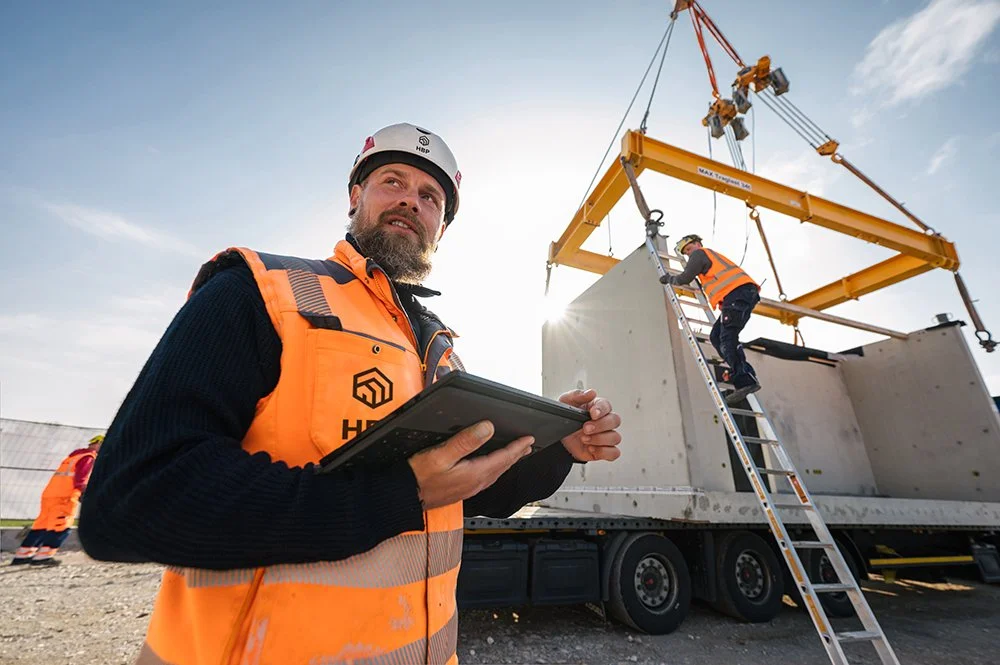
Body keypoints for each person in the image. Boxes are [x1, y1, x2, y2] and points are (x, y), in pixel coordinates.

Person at [79, 122, 623, 665]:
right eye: (393, 181)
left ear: (441, 227)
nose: (411, 200)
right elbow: (131, 499)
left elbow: (468, 490)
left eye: (430, 196)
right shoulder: (261, 292)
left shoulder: (435, 346)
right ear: (355, 196)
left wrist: (558, 448)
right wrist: (396, 496)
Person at [660, 233, 762, 404]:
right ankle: (742, 373)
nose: (689, 253)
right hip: (739, 295)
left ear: (698, 244)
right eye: (686, 252)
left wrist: (670, 279)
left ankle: (745, 380)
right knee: (716, 336)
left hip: (737, 293)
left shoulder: (700, 254)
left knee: (727, 337)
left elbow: (685, 277)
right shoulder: (708, 259)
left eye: (690, 248)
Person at [11, 434, 103, 566]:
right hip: (64, 497)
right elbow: (81, 478)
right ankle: (43, 557)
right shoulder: (88, 458)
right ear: (98, 444)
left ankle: (22, 556)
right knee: (61, 527)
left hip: (50, 494)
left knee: (41, 526)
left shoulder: (73, 456)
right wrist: (83, 493)